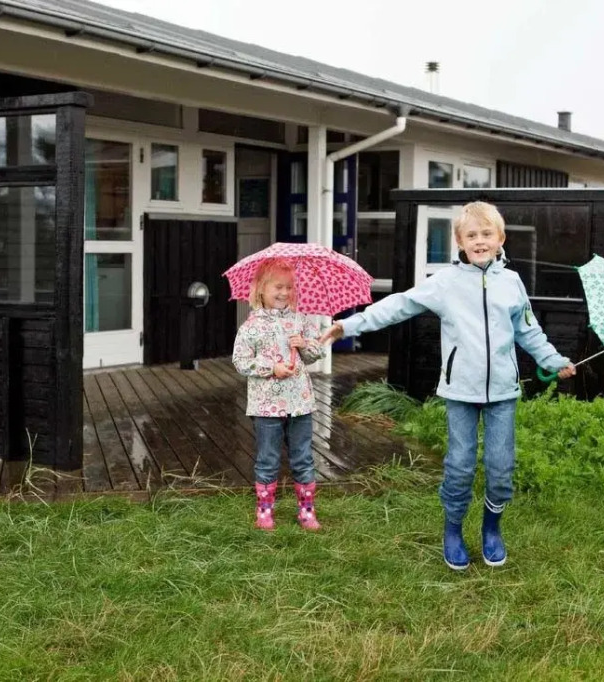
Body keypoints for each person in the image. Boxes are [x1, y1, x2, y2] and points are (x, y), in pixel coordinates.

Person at [320, 201, 576, 570]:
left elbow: (528, 331)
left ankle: (492, 528)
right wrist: (349, 325)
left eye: (487, 234)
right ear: (459, 240)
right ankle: (453, 530)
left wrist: (553, 360)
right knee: (459, 465)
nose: (480, 241)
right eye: (472, 235)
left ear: (500, 239)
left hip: (503, 392)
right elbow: (399, 304)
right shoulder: (445, 283)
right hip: (460, 392)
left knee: (501, 468)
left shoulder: (512, 283)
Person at [232, 258, 326, 531]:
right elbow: (240, 361)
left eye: (289, 287)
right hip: (266, 406)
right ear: (261, 288)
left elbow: (315, 353)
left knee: (303, 458)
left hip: (299, 403)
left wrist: (305, 343)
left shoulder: (300, 319)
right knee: (268, 459)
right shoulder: (252, 326)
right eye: (278, 287)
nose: (284, 293)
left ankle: (306, 511)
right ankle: (264, 511)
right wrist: (271, 367)